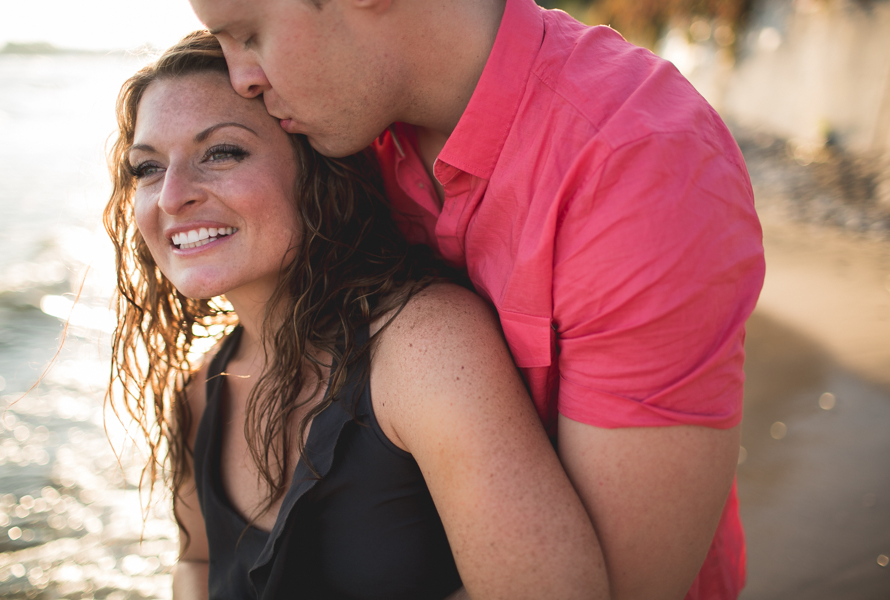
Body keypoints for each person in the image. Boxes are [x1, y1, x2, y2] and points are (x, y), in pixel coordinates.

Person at [187, 0, 768, 598]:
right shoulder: (344, 133)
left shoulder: (638, 168)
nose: (242, 79)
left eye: (250, 35)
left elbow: (621, 589)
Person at [104, 32, 608, 600]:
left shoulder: (421, 345)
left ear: (313, 167)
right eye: (146, 168)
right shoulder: (200, 392)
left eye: (222, 152)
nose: (172, 196)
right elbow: (196, 562)